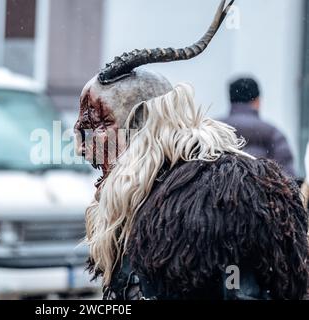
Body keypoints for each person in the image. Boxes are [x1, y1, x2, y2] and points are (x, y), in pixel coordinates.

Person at [75, 0, 308, 300]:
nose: (83, 148)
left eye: (98, 125)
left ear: (140, 124)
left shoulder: (183, 205)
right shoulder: (152, 199)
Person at [221, 77, 295, 176]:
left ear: (231, 100)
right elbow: (287, 176)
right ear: (257, 101)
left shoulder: (212, 130)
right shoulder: (272, 133)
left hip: (220, 191)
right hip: (262, 190)